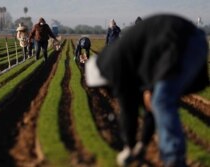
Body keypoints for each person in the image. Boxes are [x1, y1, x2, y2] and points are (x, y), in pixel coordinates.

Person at [85, 14, 209, 167]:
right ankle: (172, 156)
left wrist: (129, 147)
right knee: (158, 101)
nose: (108, 92)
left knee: (162, 101)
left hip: (181, 42)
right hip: (187, 41)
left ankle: (175, 160)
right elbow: (148, 107)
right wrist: (142, 144)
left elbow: (128, 110)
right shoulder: (124, 63)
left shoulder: (114, 66)